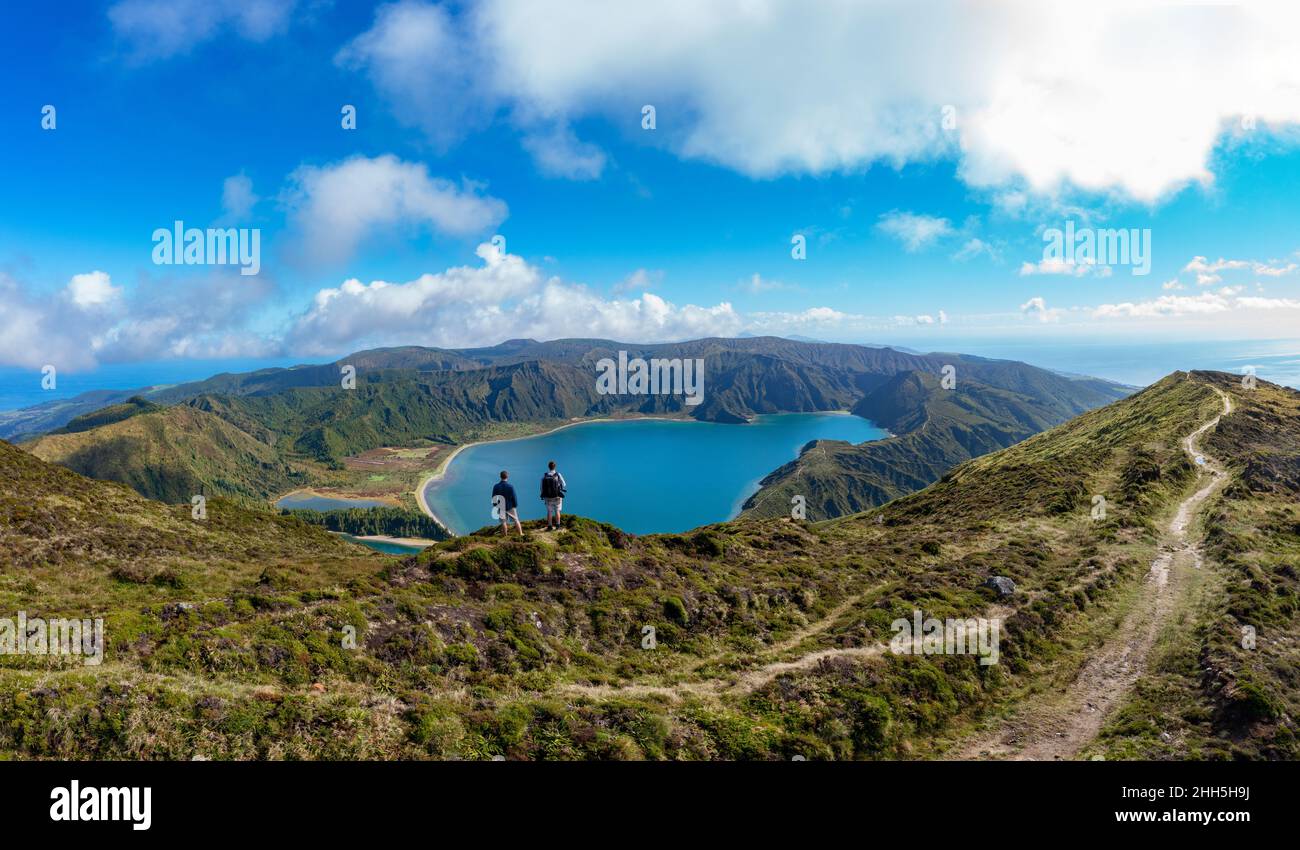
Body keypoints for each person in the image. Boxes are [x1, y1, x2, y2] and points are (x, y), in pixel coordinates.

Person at [492, 470, 523, 535]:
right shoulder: (510, 486)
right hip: (510, 506)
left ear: (500, 477)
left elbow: (494, 497)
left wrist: (495, 505)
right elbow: (514, 497)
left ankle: (505, 535)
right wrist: (515, 505)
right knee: (516, 520)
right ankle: (520, 533)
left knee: (503, 522)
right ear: (507, 477)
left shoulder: (496, 486)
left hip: (501, 506)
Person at [540, 460, 567, 531]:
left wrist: (544, 495)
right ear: (555, 467)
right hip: (557, 496)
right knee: (557, 510)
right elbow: (564, 484)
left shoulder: (545, 476)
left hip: (548, 497)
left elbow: (541, 488)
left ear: (548, 467)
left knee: (549, 511)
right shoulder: (558, 474)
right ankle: (558, 526)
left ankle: (549, 526)